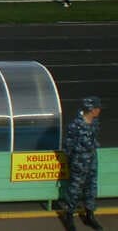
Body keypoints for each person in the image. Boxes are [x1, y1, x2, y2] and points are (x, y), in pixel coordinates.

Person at [59, 96, 103, 230]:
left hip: (92, 160)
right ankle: (69, 217)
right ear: (91, 109)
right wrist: (75, 160)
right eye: (97, 108)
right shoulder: (75, 125)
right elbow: (67, 146)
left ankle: (89, 215)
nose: (99, 110)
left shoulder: (95, 122)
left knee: (91, 187)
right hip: (79, 162)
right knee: (75, 189)